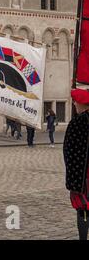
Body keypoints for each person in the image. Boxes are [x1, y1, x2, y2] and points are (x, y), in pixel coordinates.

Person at [63, 89, 89, 240]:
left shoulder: (78, 122)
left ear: (81, 104)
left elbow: (69, 150)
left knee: (83, 208)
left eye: (75, 102)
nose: (74, 104)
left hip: (82, 176)